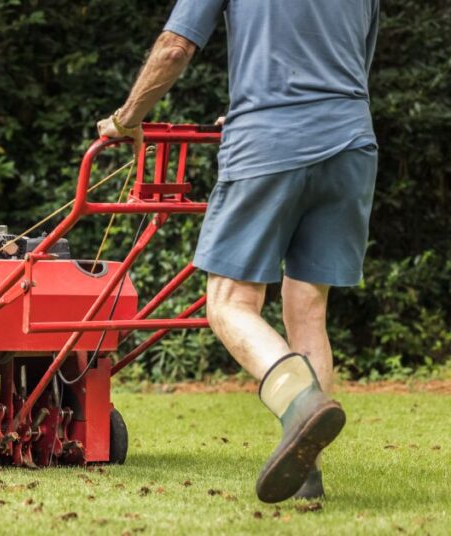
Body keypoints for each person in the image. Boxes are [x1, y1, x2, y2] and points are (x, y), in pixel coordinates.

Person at [97, 0, 379, 503]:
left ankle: (300, 403)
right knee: (308, 310)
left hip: (270, 141)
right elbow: (355, 63)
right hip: (352, 142)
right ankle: (306, 475)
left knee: (229, 303)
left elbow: (174, 48)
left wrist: (125, 119)